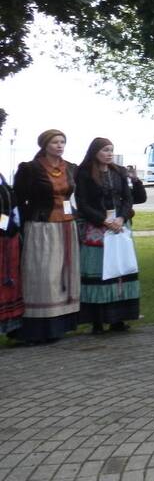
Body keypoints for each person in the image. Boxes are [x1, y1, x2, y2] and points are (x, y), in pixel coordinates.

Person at [11, 129, 80, 343]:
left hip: (67, 226)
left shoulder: (70, 167)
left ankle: (59, 326)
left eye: (62, 142)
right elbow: (19, 199)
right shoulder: (30, 168)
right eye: (55, 142)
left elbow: (71, 197)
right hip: (41, 227)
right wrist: (19, 227)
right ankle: (36, 328)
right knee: (43, 276)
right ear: (44, 145)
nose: (59, 146)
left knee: (63, 276)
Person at [75, 138, 139, 334]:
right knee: (99, 272)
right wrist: (102, 220)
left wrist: (121, 218)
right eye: (105, 150)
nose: (109, 153)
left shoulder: (118, 171)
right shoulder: (84, 173)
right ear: (95, 152)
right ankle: (97, 321)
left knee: (120, 270)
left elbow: (128, 199)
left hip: (119, 227)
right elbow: (82, 202)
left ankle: (118, 319)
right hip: (97, 229)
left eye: (111, 150)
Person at [0, 171, 23, 335]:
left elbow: (13, 209)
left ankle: (10, 327)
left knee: (8, 283)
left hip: (8, 240)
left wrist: (14, 227)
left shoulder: (3, 181)